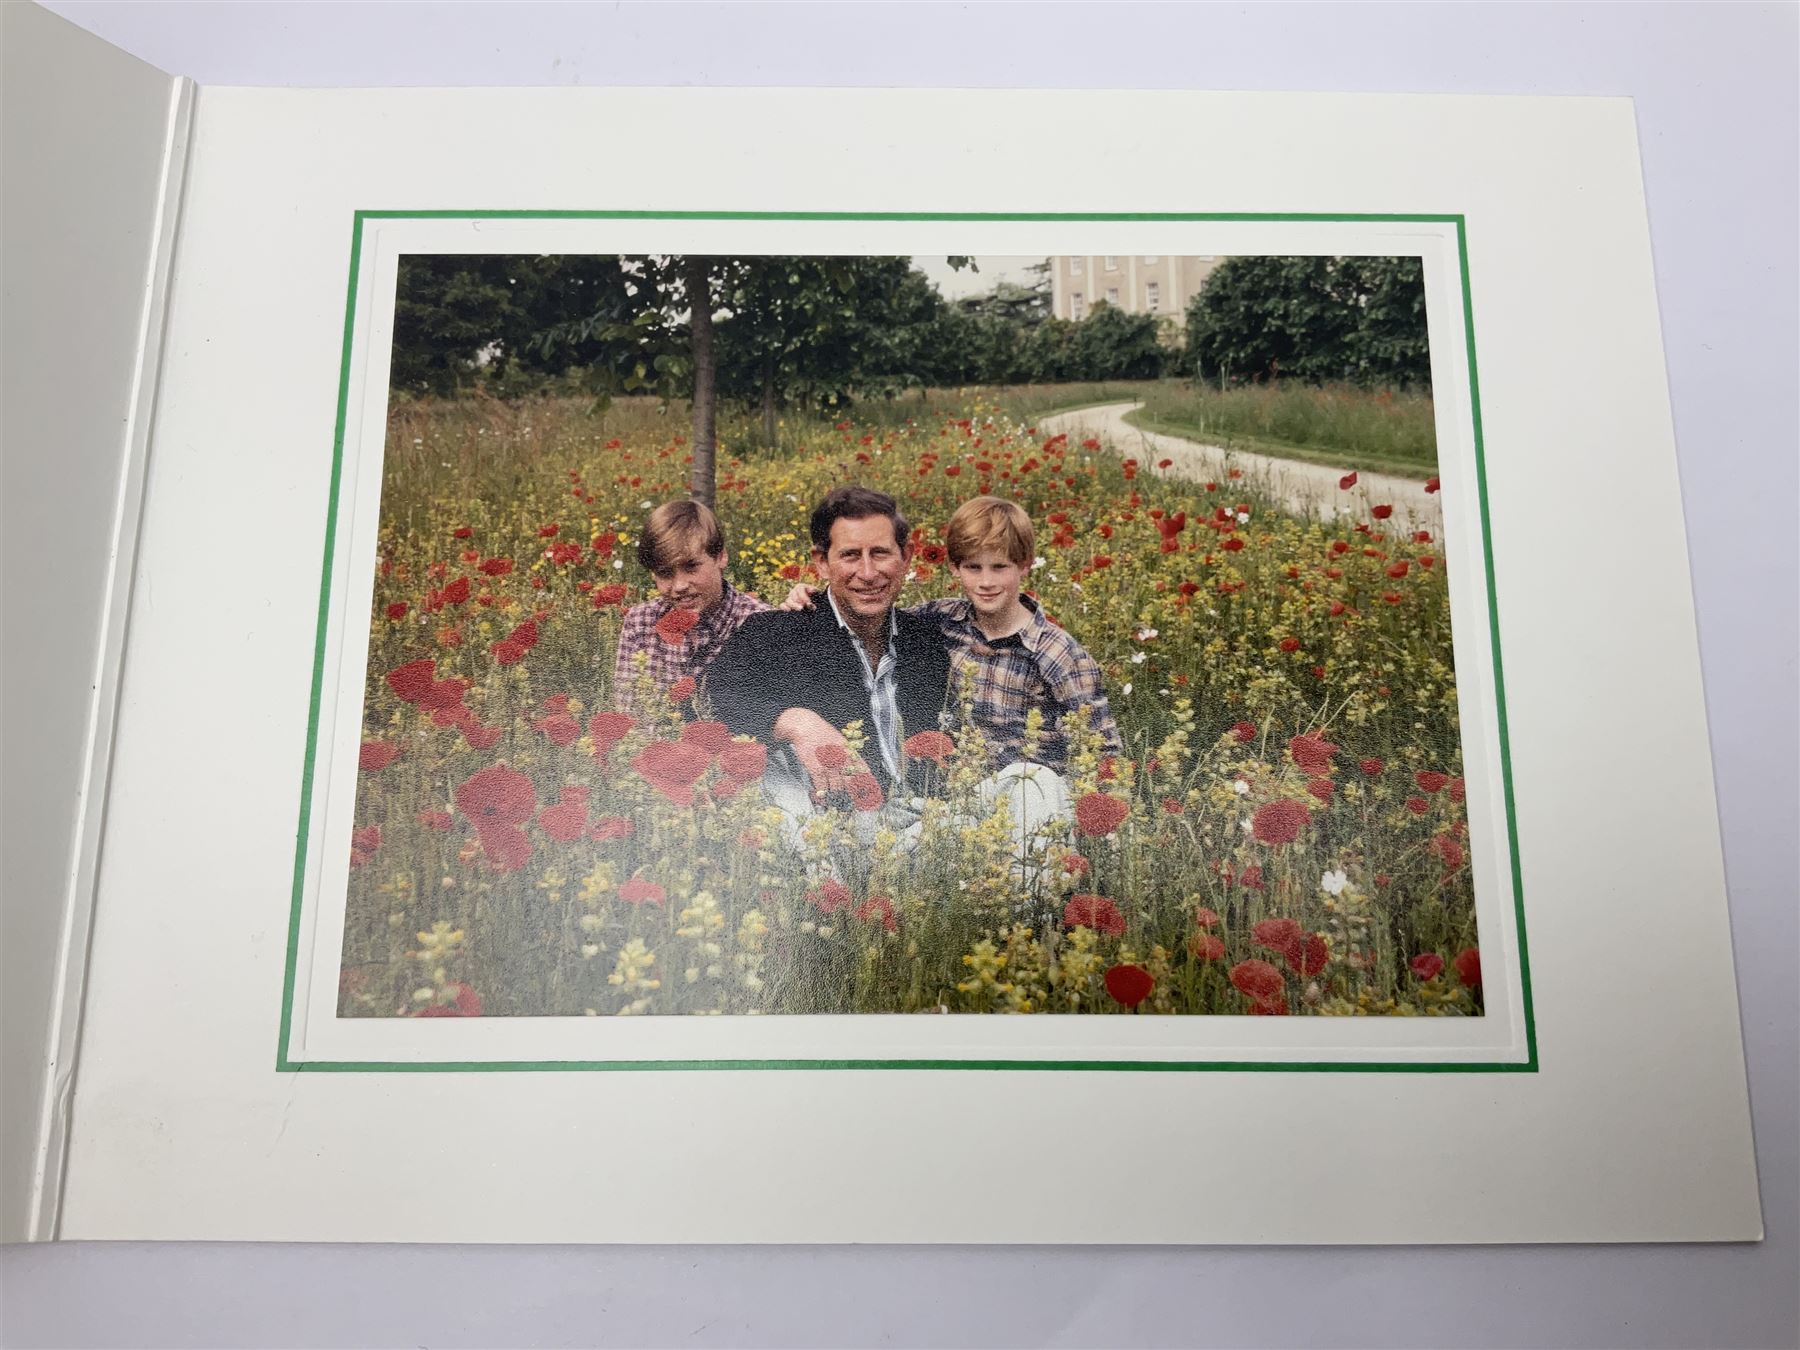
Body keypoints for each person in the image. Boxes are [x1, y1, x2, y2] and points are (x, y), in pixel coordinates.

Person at [782, 495, 1124, 775]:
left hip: (1034, 795)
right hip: (960, 794)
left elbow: (1102, 750)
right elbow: (874, 616)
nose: (986, 582)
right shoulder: (941, 620)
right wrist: (812, 597)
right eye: (973, 568)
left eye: (1000, 567)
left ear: (1025, 565)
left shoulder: (1060, 654)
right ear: (954, 568)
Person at [703, 485, 951, 809]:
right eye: (850, 555)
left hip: (932, 822)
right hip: (843, 830)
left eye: (880, 553)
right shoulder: (776, 633)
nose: (867, 573)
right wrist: (795, 722)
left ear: (905, 557)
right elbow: (710, 700)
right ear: (821, 562)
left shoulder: (926, 641)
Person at [611, 499, 768, 715]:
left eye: (691, 567)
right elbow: (628, 714)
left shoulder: (759, 622)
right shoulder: (641, 622)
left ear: (720, 556)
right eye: (665, 573)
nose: (680, 586)